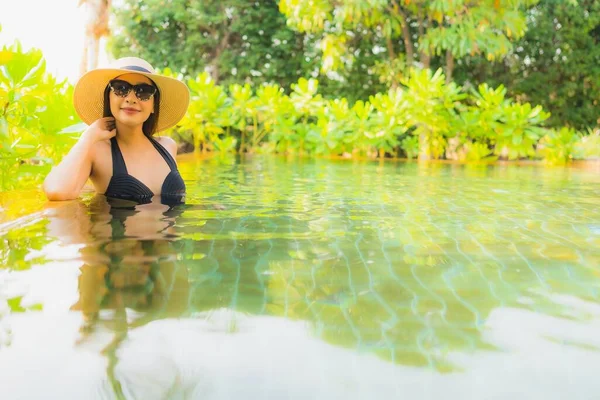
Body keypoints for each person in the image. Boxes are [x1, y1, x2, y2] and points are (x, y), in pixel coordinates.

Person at [43, 57, 189, 204]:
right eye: (121, 88)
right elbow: (57, 190)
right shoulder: (97, 151)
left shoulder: (168, 146)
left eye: (143, 91)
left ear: (153, 106)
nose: (131, 98)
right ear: (109, 98)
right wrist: (87, 137)